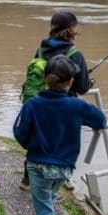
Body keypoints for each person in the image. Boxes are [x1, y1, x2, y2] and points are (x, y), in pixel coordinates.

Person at [13, 54, 106, 215]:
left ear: (45, 79)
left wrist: (32, 146)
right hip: (64, 168)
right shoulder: (77, 106)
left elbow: (19, 132)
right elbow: (101, 120)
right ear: (70, 82)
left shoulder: (32, 104)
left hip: (38, 166)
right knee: (43, 202)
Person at [20, 11, 92, 191]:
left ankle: (27, 180)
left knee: (39, 139)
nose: (78, 28)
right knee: (64, 143)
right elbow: (82, 87)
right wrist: (89, 81)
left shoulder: (42, 48)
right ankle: (61, 180)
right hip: (64, 107)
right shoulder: (75, 54)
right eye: (76, 25)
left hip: (42, 103)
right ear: (70, 30)